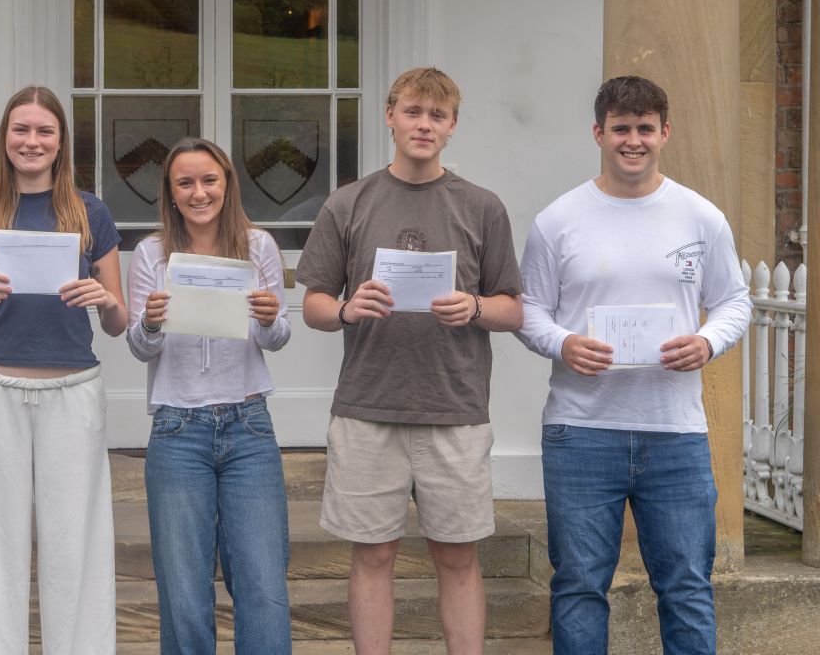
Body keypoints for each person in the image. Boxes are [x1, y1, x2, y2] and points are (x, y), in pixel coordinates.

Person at [516, 75, 752, 655]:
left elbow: (734, 300)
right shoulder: (558, 219)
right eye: (621, 128)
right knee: (577, 586)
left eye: (645, 128)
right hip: (580, 430)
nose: (633, 140)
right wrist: (562, 344)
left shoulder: (700, 217)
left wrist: (708, 341)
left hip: (674, 431)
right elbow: (528, 311)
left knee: (688, 586)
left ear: (665, 132)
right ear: (598, 132)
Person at [296, 67, 523, 655]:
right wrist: (348, 309)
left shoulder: (481, 206)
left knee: (457, 555)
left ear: (452, 127)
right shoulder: (348, 203)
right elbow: (313, 303)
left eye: (437, 116)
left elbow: (514, 309)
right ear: (391, 116)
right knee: (372, 554)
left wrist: (474, 306)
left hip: (456, 407)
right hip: (369, 407)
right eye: (414, 112)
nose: (424, 125)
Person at [0, 86, 126, 655]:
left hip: (73, 388)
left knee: (77, 545)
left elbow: (119, 323)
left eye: (45, 131)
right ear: (5, 138)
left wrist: (104, 298)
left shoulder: (91, 212)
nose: (32, 141)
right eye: (21, 130)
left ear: (61, 141)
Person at [126, 137, 292, 655]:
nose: (199, 192)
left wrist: (268, 318)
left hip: (248, 424)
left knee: (263, 584)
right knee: (183, 591)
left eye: (209, 180)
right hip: (177, 429)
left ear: (227, 184)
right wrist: (150, 324)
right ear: (171, 194)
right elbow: (136, 345)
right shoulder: (152, 253)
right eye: (186, 183)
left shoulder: (259, 246)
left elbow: (278, 336)